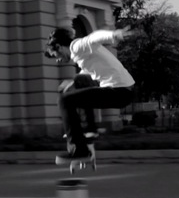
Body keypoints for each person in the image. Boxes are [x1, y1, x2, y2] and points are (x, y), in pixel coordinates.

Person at [44, 27, 136, 164]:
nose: (58, 60)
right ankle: (90, 130)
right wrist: (72, 83)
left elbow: (93, 38)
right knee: (77, 83)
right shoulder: (82, 55)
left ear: (58, 46)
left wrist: (113, 35)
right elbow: (86, 72)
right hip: (125, 92)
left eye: (55, 55)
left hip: (118, 91)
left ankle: (79, 149)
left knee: (64, 101)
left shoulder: (76, 46)